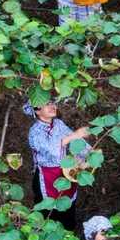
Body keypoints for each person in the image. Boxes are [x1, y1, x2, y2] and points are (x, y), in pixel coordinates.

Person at [25, 99, 91, 231]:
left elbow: (74, 140)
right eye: (47, 104)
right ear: (37, 111)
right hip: (47, 178)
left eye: (53, 103)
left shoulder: (58, 124)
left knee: (67, 208)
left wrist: (90, 153)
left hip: (66, 173)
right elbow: (52, 151)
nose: (52, 106)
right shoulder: (34, 132)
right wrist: (73, 136)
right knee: (48, 213)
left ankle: (67, 239)